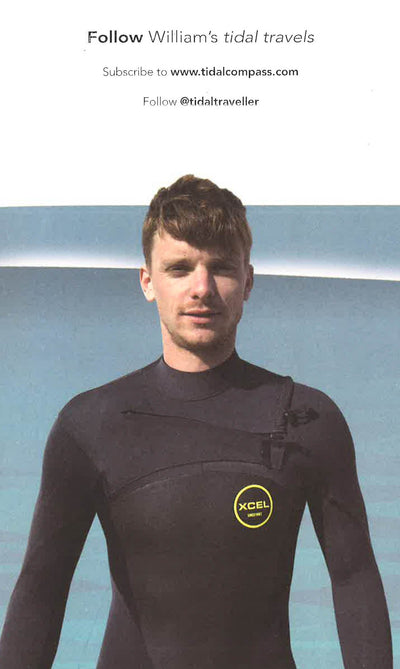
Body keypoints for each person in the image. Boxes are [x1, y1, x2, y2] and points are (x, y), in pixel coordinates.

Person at [0, 175, 392, 668]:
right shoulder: (91, 424)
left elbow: (354, 578)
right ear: (148, 281)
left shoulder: (308, 420)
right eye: (180, 268)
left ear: (248, 281)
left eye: (221, 267)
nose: (202, 288)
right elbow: (41, 590)